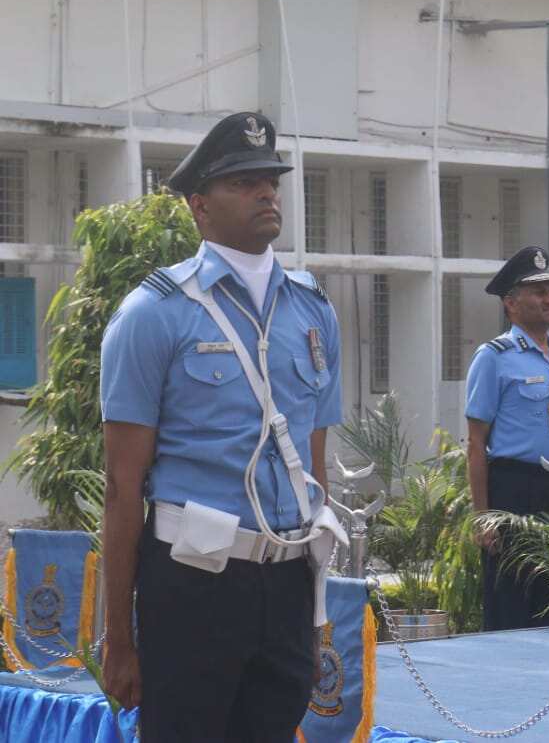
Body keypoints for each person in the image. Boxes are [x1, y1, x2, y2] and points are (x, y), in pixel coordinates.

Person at [100, 111, 344, 742]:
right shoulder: (154, 314)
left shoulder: (313, 311)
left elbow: (313, 467)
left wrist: (315, 604)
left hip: (288, 579)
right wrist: (119, 637)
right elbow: (123, 487)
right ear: (200, 206)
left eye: (271, 181)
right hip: (194, 581)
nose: (266, 193)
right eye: (243, 182)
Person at [465, 246, 549, 632]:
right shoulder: (494, 357)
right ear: (511, 303)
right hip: (514, 490)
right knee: (512, 600)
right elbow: (476, 444)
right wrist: (483, 517)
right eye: (538, 292)